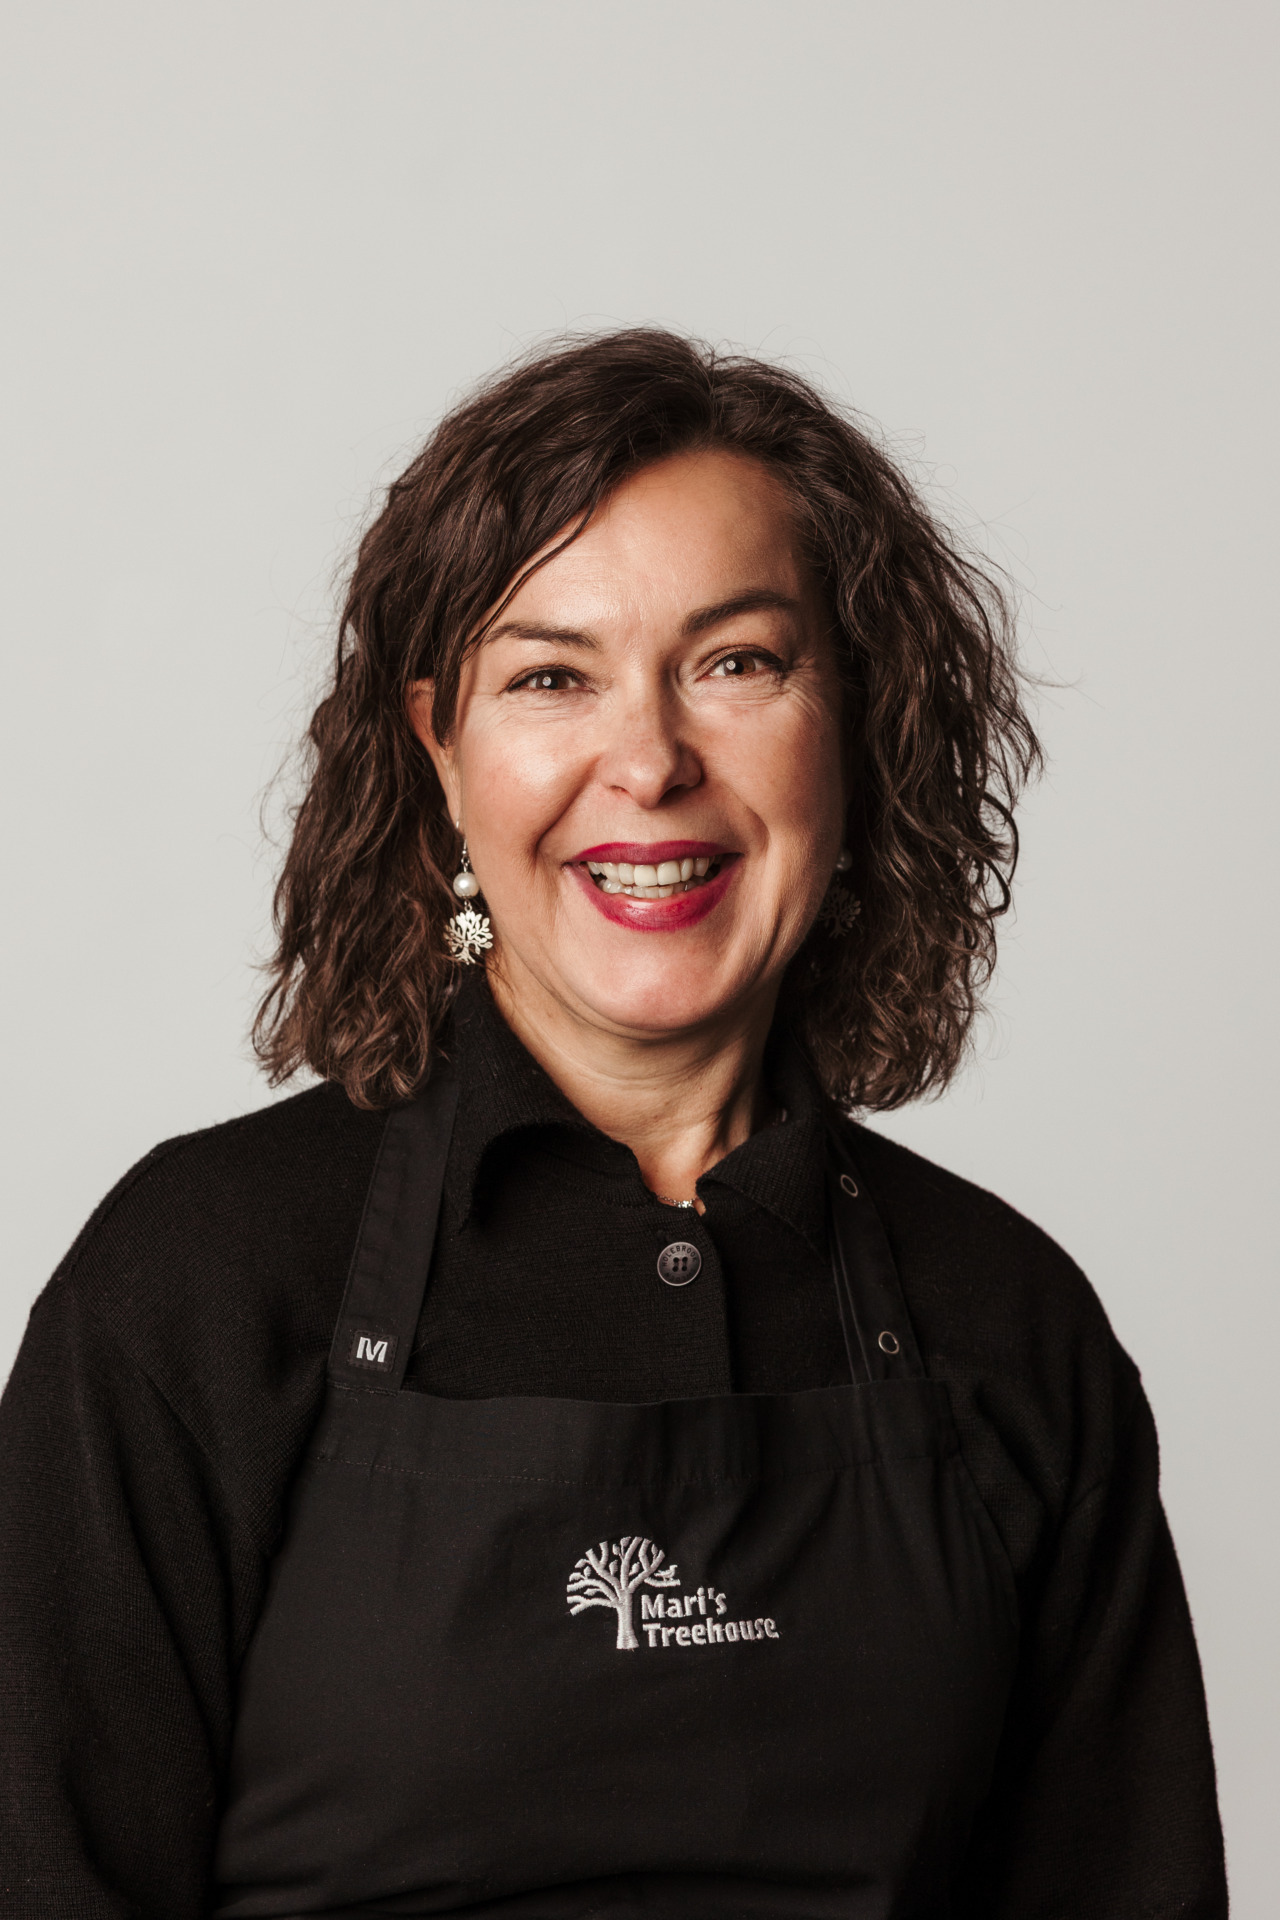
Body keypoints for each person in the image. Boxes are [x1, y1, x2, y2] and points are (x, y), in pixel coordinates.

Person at [0, 329, 1227, 1918]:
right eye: (551, 676)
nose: (648, 762)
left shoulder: (1011, 1321)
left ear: (854, 724)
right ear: (442, 751)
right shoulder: (196, 1283)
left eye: (739, 663)